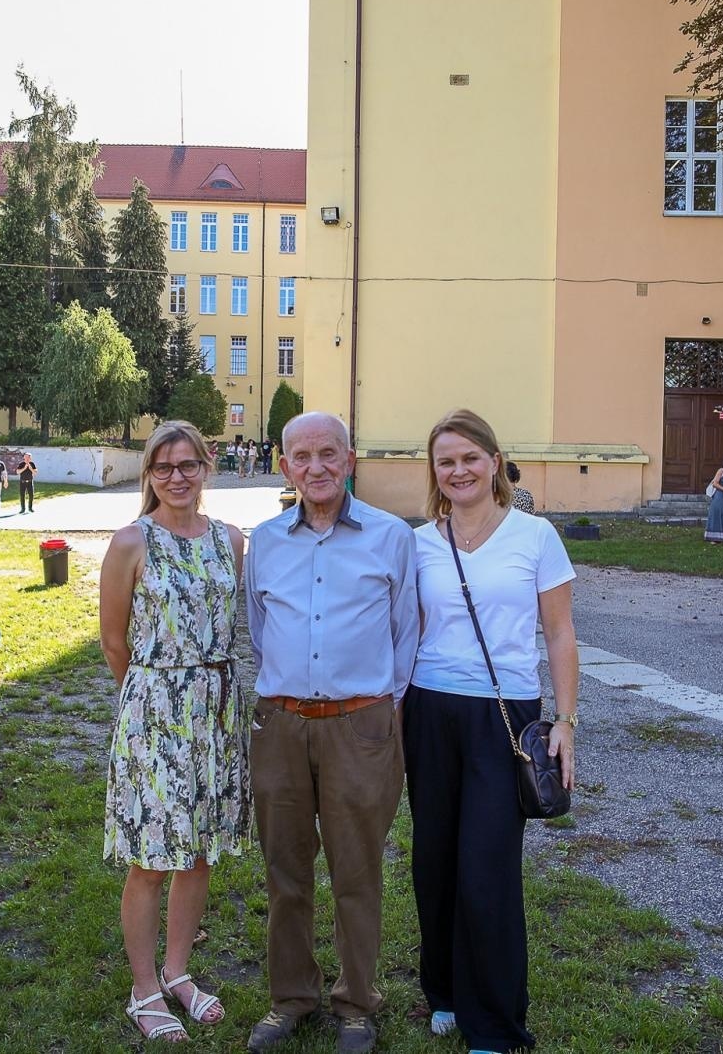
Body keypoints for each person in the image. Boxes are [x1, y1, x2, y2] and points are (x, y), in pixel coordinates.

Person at [244, 412, 419, 1054]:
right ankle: (291, 995)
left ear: (349, 460)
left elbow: (407, 631)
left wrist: (383, 709)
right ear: (284, 465)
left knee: (356, 869)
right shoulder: (263, 541)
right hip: (282, 725)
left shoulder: (392, 536)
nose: (314, 467)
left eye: (327, 454)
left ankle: (356, 1002)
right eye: (300, 456)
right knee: (284, 868)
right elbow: (260, 630)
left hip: (361, 726)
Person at [404, 410, 578, 1052]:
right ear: (434, 472)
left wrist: (565, 720)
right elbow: (406, 634)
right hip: (428, 709)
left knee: (488, 866)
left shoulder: (535, 537)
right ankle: (445, 989)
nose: (458, 470)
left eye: (469, 457)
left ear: (495, 460)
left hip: (504, 715)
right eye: (445, 461)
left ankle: (494, 1020)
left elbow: (559, 633)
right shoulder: (420, 542)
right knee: (434, 860)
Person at [100, 420, 248, 1043]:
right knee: (152, 859)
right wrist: (154, 702)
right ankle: (144, 990)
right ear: (149, 475)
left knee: (198, 853)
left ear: (206, 467)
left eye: (187, 465)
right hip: (155, 711)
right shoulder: (132, 541)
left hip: (217, 711)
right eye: (163, 468)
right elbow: (113, 641)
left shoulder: (231, 540)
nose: (177, 477)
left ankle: (179, 971)